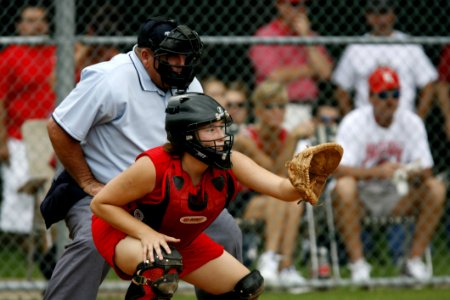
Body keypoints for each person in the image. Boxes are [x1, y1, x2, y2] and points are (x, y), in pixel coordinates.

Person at [42, 17, 242, 300]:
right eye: (171, 56)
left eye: (184, 56)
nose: (180, 64)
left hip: (167, 193)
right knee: (90, 243)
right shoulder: (110, 79)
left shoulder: (188, 84)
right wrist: (88, 182)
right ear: (145, 55)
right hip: (107, 194)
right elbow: (59, 128)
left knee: (226, 231)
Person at [90, 92, 318, 299]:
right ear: (185, 135)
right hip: (124, 231)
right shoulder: (154, 166)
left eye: (221, 127)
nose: (221, 136)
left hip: (177, 237)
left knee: (246, 286)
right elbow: (101, 204)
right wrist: (145, 233)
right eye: (210, 130)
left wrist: (311, 179)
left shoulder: (231, 162)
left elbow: (281, 189)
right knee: (159, 266)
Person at [331, 67, 446, 282]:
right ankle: (358, 265)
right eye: (383, 95)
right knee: (344, 186)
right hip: (362, 196)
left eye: (395, 94)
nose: (390, 101)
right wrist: (376, 172)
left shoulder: (412, 122)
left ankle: (414, 261)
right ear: (371, 97)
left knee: (436, 188)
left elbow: (427, 169)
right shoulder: (354, 121)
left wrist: (406, 171)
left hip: (398, 194)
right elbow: (337, 169)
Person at [235, 80, 306, 288]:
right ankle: (271, 259)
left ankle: (283, 265)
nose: (276, 112)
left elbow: (282, 181)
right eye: (269, 106)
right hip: (244, 201)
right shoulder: (245, 138)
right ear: (257, 110)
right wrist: (293, 139)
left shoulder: (285, 136)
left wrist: (291, 139)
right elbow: (273, 173)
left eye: (281, 106)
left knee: (293, 200)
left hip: (275, 200)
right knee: (281, 194)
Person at [0, 4, 56, 234]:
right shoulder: (10, 55)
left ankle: (48, 251)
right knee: (18, 196)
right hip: (19, 136)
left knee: (53, 193)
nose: (37, 25)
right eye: (30, 20)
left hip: (54, 136)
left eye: (41, 20)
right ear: (19, 26)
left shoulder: (57, 52)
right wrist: (1, 140)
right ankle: (23, 247)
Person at [331, 0, 437, 118]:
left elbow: (429, 85)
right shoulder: (356, 47)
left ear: (393, 15)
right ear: (367, 17)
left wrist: (418, 119)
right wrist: (352, 121)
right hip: (366, 122)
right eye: (373, 14)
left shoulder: (409, 45)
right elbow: (341, 88)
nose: (380, 19)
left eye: (384, 12)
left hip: (402, 119)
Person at [248, 0, 333, 131]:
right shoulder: (266, 35)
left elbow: (326, 72)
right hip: (275, 108)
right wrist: (311, 69)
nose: (301, 9)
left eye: (304, 5)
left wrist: (305, 38)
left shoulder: (310, 36)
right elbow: (275, 76)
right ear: (280, 6)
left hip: (308, 108)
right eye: (294, 4)